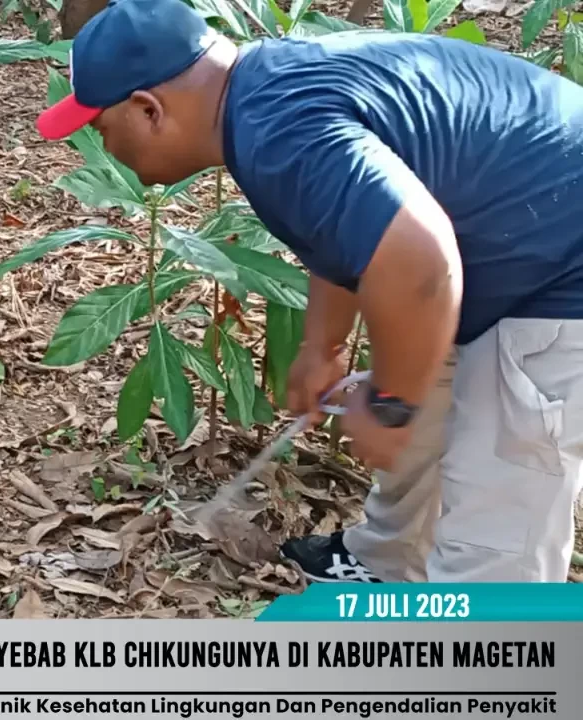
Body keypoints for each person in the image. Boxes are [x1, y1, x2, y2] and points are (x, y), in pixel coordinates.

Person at [36, 0, 583, 585]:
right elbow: (351, 230)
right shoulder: (262, 90)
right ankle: (389, 563)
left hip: (558, 270)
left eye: (100, 128)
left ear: (149, 110)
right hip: (508, 240)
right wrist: (322, 347)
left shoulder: (278, 135)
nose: (104, 149)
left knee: (499, 498)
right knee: (426, 391)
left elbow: (421, 261)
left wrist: (393, 402)